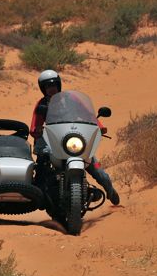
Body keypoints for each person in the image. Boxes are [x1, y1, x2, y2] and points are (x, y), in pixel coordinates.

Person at [30, 69, 120, 205]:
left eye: (53, 85)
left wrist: (99, 126)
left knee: (97, 170)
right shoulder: (41, 104)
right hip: (54, 140)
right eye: (47, 86)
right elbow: (35, 125)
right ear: (43, 88)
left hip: (73, 136)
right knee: (42, 163)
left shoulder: (71, 98)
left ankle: (111, 191)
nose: (51, 89)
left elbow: (87, 113)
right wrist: (36, 131)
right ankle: (40, 195)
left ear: (59, 85)